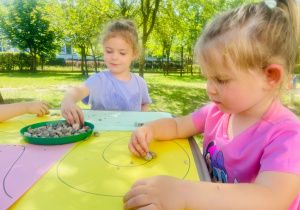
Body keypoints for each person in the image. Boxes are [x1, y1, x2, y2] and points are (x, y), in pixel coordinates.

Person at [123, 0, 300, 209]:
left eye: (221, 79)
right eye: (207, 77)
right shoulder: (216, 113)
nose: (209, 89)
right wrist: (150, 129)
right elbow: (178, 125)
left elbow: (271, 199)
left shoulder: (287, 135)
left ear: (270, 76)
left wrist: (183, 192)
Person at [61, 19, 152, 126]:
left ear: (134, 54)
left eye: (122, 53)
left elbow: (144, 105)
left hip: (130, 138)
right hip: (102, 137)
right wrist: (67, 101)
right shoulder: (98, 80)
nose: (114, 57)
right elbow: (78, 91)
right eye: (109, 51)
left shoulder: (140, 83)